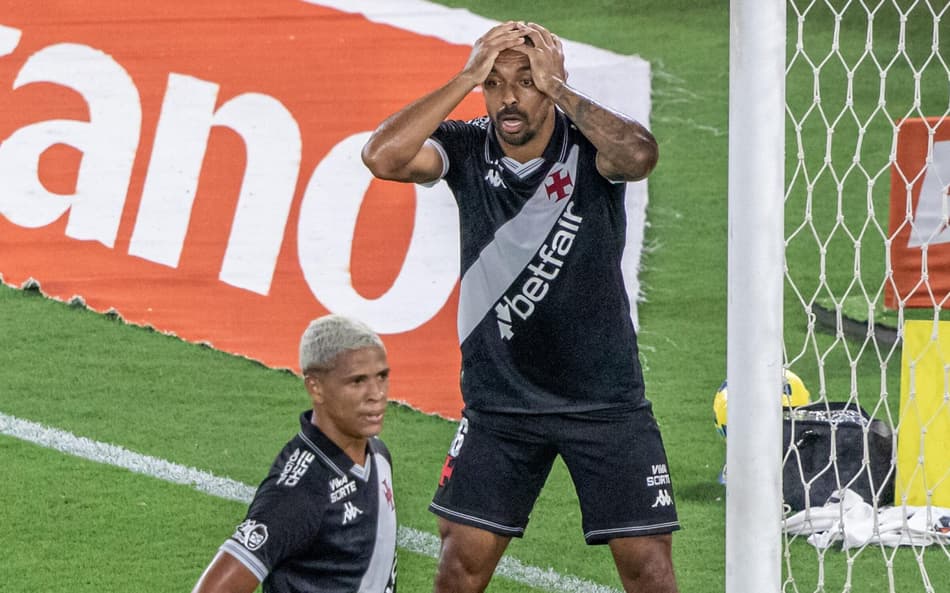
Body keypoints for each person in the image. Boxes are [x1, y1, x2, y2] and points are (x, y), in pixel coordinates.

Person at [361, 20, 678, 593]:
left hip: (604, 400)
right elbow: (383, 156)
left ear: (551, 84)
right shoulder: (464, 146)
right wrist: (464, 77)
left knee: (649, 569)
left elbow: (640, 155)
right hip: (502, 403)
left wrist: (563, 90)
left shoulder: (589, 149)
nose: (509, 97)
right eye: (496, 81)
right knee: (460, 566)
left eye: (527, 82)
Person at [190, 314, 397, 593]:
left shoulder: (378, 454)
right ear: (316, 387)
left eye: (382, 376)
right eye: (357, 381)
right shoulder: (298, 492)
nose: (377, 394)